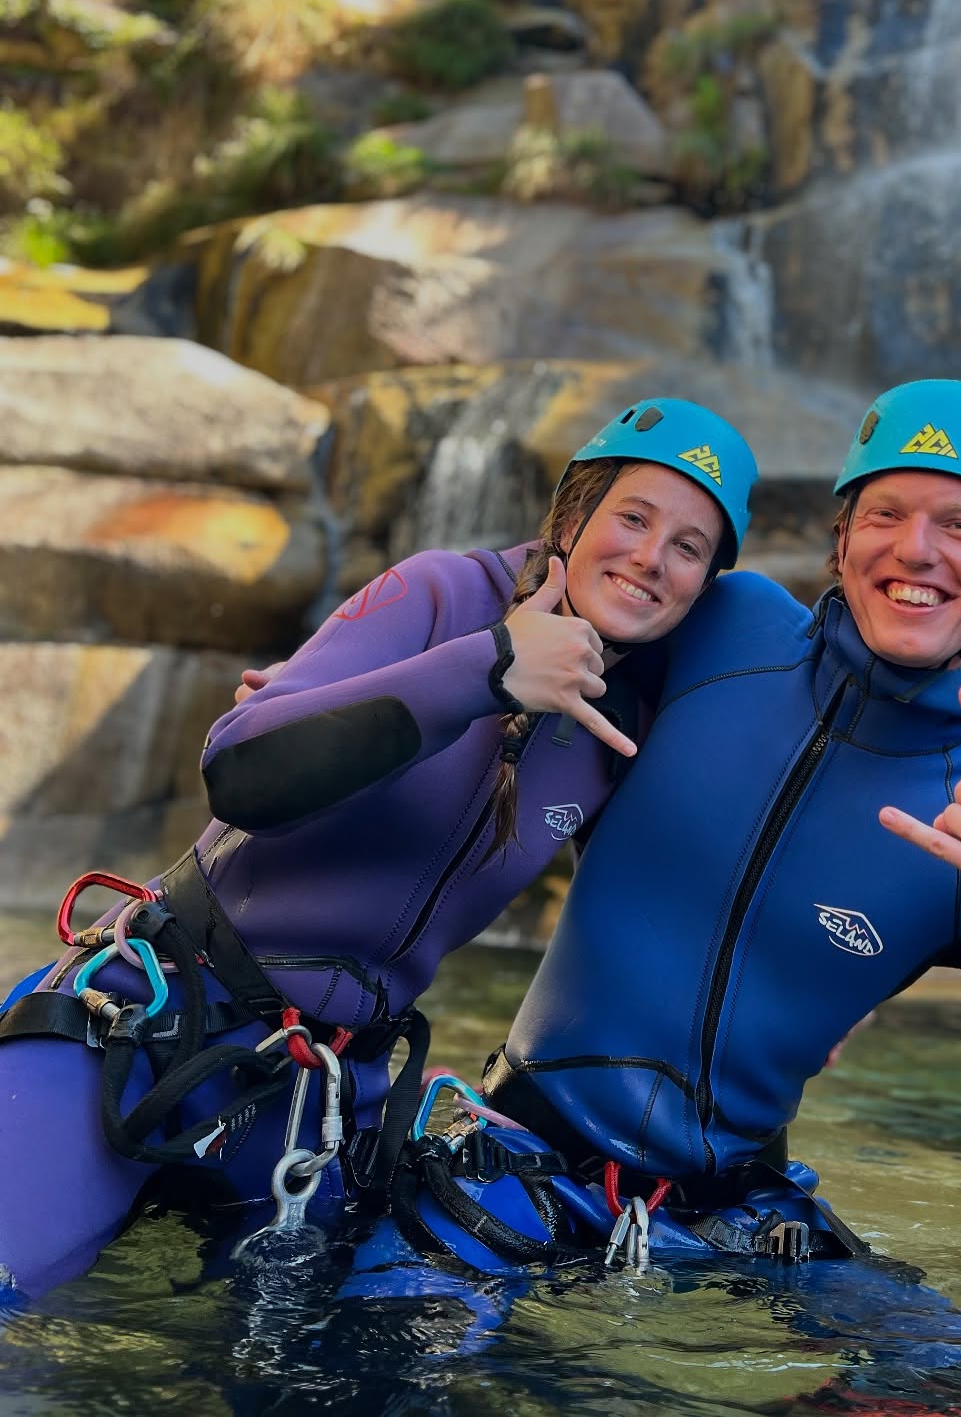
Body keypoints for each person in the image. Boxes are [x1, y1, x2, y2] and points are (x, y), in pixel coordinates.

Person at [337, 380, 961, 1381]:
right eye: (888, 513)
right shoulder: (717, 630)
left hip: (736, 1217)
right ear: (842, 537)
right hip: (514, 1154)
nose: (919, 550)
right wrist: (331, 689)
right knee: (360, 1368)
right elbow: (535, 601)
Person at [0, 397, 758, 1305]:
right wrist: (488, 666)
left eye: (688, 546)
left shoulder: (624, 725)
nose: (649, 558)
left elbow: (666, 917)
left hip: (317, 1098)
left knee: (336, 1380)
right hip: (151, 1023)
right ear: (573, 514)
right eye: (633, 518)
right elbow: (240, 772)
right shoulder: (439, 595)